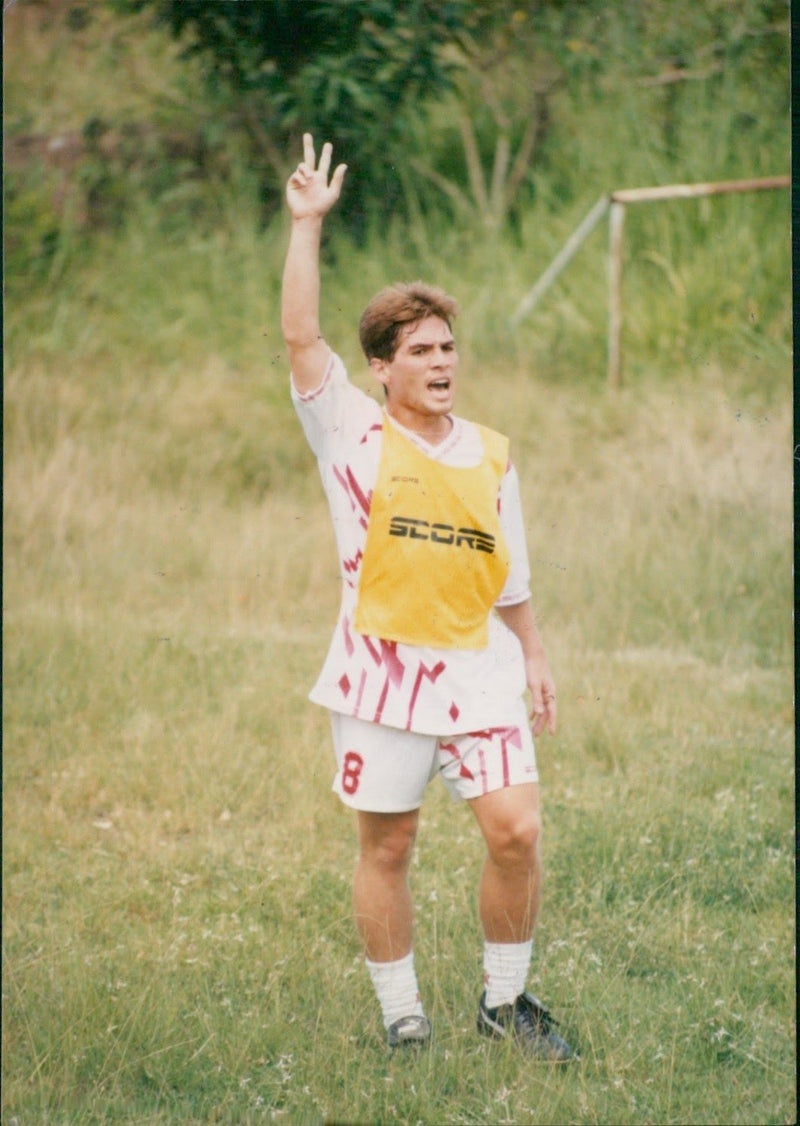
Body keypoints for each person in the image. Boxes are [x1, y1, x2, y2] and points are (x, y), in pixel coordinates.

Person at [281, 133, 574, 1060]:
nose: (442, 361)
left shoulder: (491, 449)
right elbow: (299, 335)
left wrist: (531, 651)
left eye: (449, 346)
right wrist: (305, 228)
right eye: (421, 350)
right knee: (390, 848)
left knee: (517, 830)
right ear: (382, 367)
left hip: (478, 666)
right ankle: (403, 1014)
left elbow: (509, 566)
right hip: (382, 678)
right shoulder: (349, 433)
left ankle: (505, 1003)